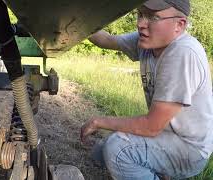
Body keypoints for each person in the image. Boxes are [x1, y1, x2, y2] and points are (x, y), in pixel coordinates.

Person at [80, 0, 213, 179]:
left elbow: (151, 126)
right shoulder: (148, 42)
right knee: (100, 153)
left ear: (179, 25)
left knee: (118, 150)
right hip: (166, 136)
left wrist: (98, 121)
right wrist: (75, 21)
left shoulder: (183, 53)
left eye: (153, 17)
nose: (141, 23)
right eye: (141, 14)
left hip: (189, 149)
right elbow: (106, 40)